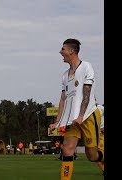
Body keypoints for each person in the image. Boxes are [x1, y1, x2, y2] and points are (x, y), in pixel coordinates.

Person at [49, 38, 103, 179]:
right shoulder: (64, 75)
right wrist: (57, 121)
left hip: (88, 116)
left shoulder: (86, 67)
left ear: (72, 51)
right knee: (67, 149)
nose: (60, 52)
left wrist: (80, 115)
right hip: (72, 120)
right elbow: (63, 99)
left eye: (63, 49)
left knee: (92, 156)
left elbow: (87, 93)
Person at [96, 103, 104, 173]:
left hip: (101, 133)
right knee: (96, 156)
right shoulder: (87, 111)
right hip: (96, 135)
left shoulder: (100, 107)